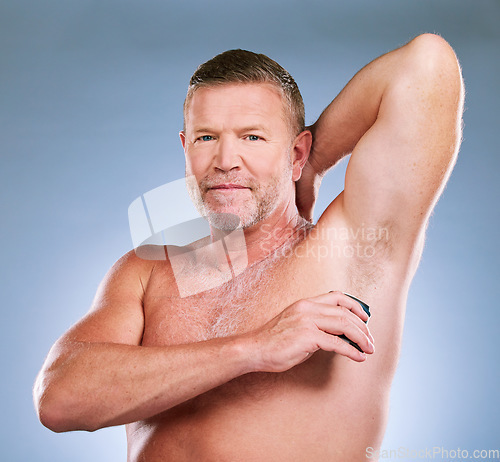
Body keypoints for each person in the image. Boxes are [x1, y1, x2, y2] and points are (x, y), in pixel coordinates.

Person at [33, 33, 464, 461]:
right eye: (206, 138)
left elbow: (426, 65)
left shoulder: (348, 248)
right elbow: (59, 399)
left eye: (252, 138)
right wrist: (253, 348)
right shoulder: (145, 271)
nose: (225, 160)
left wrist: (310, 167)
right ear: (186, 149)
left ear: (295, 152)